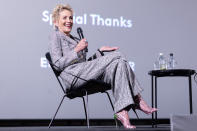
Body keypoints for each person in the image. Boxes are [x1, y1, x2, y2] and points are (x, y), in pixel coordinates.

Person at [49, 4, 157, 129]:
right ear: (56, 22)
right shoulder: (55, 36)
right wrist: (77, 49)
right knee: (118, 55)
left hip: (82, 74)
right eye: (65, 18)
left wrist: (100, 51)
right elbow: (57, 64)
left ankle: (122, 110)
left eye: (71, 18)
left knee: (119, 63)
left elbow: (86, 65)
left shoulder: (74, 38)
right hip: (72, 77)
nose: (69, 21)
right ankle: (137, 100)